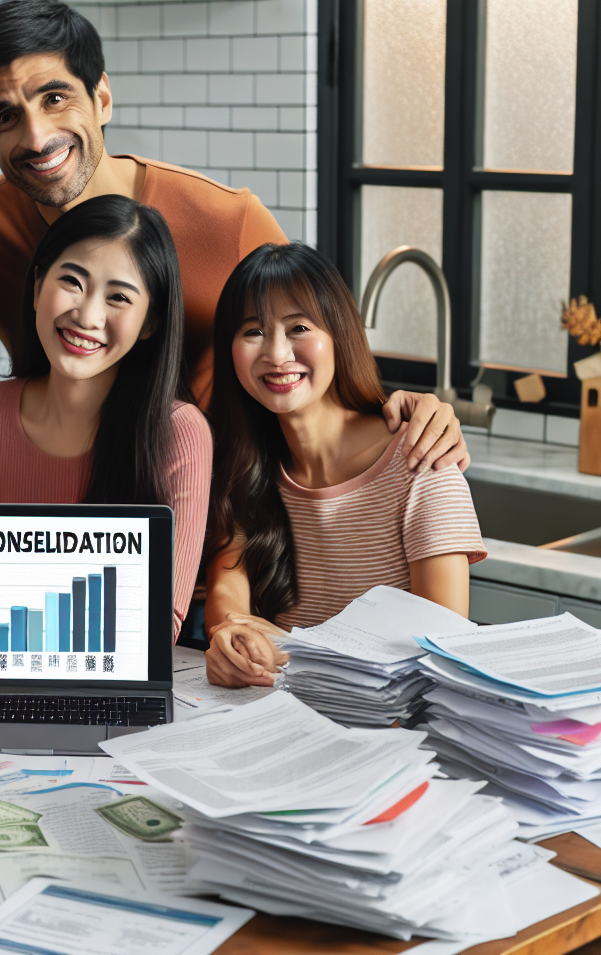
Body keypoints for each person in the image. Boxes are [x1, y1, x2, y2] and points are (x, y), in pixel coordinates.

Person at [0, 0, 467, 474]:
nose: (37, 136)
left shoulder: (229, 221)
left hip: (224, 520)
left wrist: (409, 408)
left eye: (55, 98)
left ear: (102, 97)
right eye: (6, 116)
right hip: (72, 519)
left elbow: (325, 360)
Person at [202, 242, 486, 688]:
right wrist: (232, 636)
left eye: (298, 326)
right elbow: (226, 587)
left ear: (340, 334)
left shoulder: (421, 460)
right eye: (253, 331)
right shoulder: (243, 464)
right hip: (282, 718)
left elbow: (441, 651)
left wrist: (297, 650)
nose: (276, 354)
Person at [0, 195, 210, 640]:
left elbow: (157, 624)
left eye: (119, 297)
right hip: (4, 674)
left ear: (149, 324)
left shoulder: (180, 433)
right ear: (36, 288)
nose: (88, 315)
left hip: (111, 684)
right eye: (73, 281)